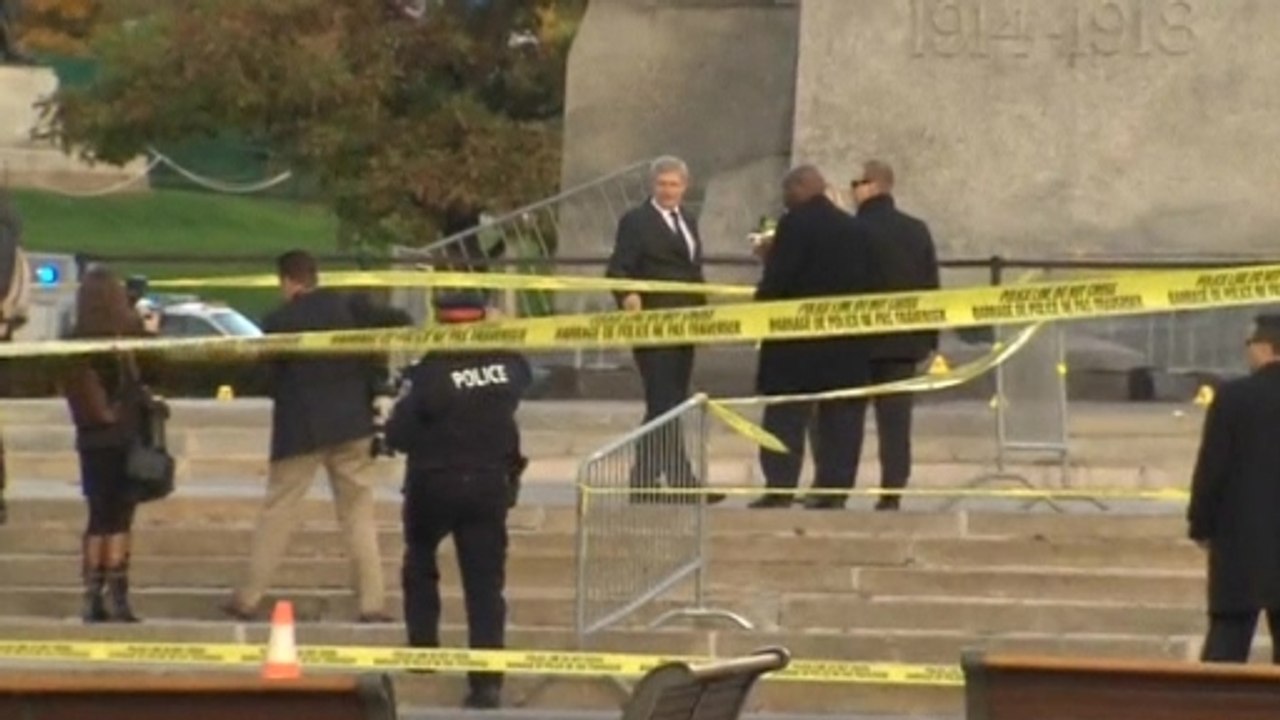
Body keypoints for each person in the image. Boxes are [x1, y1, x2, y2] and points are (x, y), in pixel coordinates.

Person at [223, 250, 409, 622]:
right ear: (315, 276)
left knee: (279, 512)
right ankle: (372, 603)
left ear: (287, 282)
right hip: (352, 425)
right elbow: (399, 319)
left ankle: (248, 597)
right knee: (358, 514)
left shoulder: (279, 321)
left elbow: (263, 378)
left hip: (300, 429)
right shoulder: (351, 308)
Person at [386, 291, 531, 710]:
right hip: (487, 484)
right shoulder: (506, 366)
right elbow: (522, 372)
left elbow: (400, 434)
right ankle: (486, 681)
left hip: (434, 482)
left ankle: (424, 651)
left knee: (420, 563)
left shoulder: (430, 371)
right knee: (485, 587)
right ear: (481, 319)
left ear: (440, 322)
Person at [749, 166, 878, 510]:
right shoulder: (854, 228)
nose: (783, 199)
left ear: (799, 189)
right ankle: (833, 489)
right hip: (845, 344)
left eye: (786, 192)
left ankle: (780, 487)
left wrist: (765, 277)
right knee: (841, 419)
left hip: (796, 345)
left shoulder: (794, 224)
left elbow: (780, 280)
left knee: (786, 418)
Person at [605, 156, 722, 504]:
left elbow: (692, 272)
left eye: (674, 185)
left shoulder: (688, 219)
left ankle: (644, 480)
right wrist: (627, 295)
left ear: (685, 187)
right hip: (654, 324)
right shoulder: (636, 221)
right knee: (663, 401)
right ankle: (680, 480)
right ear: (653, 186)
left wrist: (703, 317)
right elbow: (618, 268)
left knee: (669, 402)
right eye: (662, 184)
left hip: (684, 324)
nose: (668, 191)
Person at [61, 265, 160, 623]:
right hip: (124, 437)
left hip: (90, 439)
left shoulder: (75, 341)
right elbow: (155, 375)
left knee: (97, 517)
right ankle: (118, 595)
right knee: (120, 518)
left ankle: (92, 595)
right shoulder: (128, 336)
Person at [1188, 314, 1280, 664]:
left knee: (1227, 643)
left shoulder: (1233, 398)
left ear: (1264, 347)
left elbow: (1212, 467)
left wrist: (1201, 524)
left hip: (1240, 543)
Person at [851, 160, 940, 511]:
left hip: (856, 341)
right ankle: (892, 488)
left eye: (856, 182)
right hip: (904, 343)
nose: (853, 189)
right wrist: (929, 340)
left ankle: (837, 483)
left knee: (847, 417)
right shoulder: (917, 230)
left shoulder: (852, 230)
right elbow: (931, 287)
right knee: (896, 420)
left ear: (872, 186)